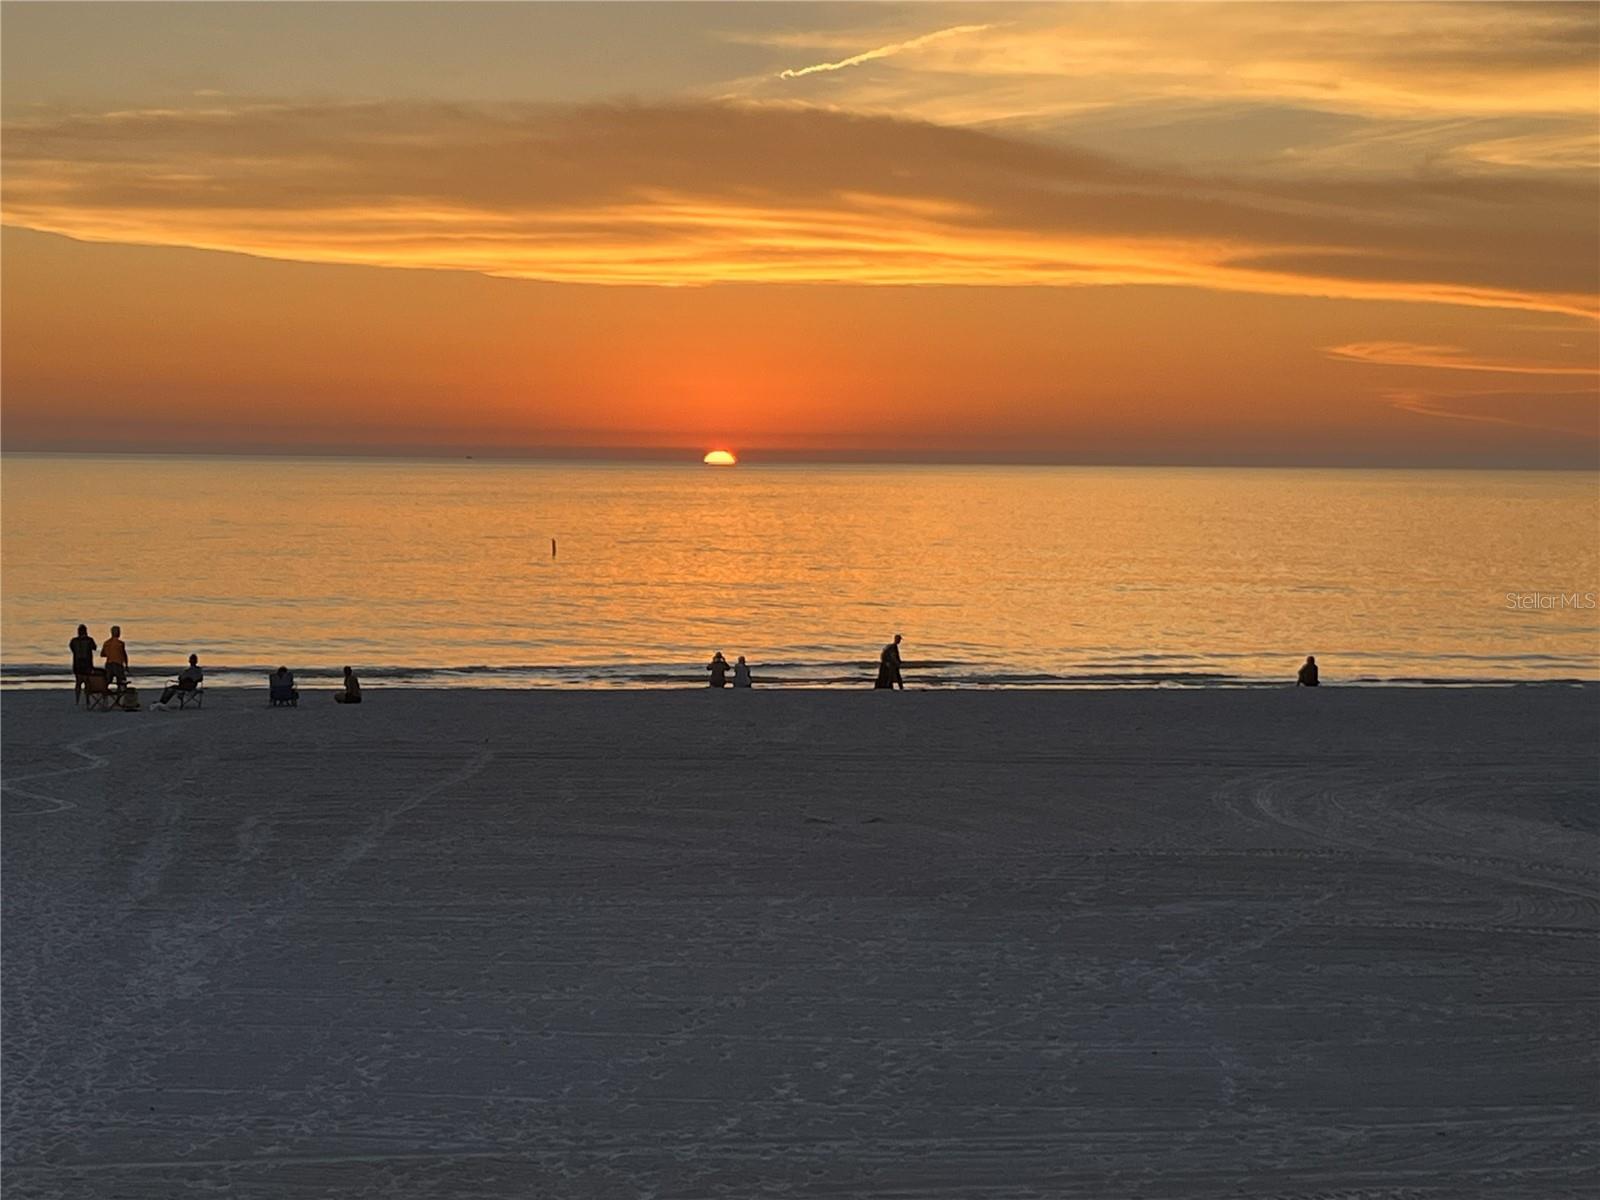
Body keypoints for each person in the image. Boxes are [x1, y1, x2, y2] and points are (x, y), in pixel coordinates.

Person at [69, 624, 98, 704]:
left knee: (78, 683)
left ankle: (77, 700)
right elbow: (95, 648)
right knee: (87, 683)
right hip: (87, 664)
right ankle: (87, 700)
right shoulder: (89, 640)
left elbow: (72, 649)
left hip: (77, 664)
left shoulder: (74, 641)